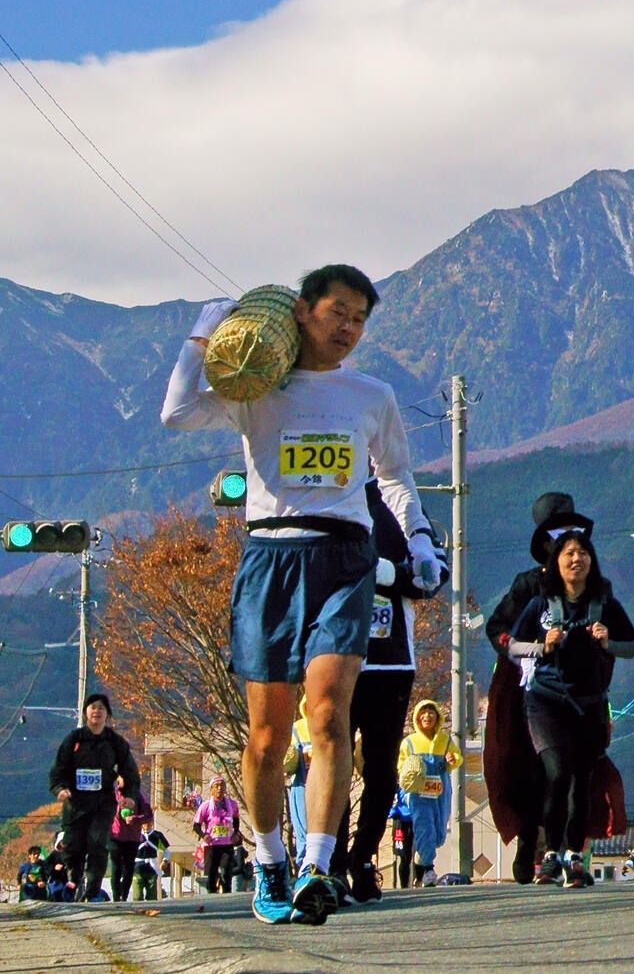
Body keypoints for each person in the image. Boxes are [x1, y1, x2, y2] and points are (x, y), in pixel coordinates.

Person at [160, 263, 444, 925]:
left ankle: (319, 863)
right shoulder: (259, 389)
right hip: (270, 557)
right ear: (303, 311)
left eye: (360, 318)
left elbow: (395, 474)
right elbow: (176, 412)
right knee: (264, 735)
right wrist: (201, 338)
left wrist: (422, 541)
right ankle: (270, 862)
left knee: (327, 715)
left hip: (346, 556)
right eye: (338, 311)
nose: (348, 327)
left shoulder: (371, 395)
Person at [506, 528, 634, 888]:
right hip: (546, 701)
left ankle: (575, 856)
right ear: (556, 562)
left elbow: (632, 647)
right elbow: (513, 646)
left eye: (582, 553)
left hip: (590, 704)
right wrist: (542, 645)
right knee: (557, 771)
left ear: (591, 561)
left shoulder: (604, 603)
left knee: (582, 780)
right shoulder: (541, 604)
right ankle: (550, 855)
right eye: (568, 553)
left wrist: (608, 642)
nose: (576, 559)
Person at [334, 479, 446, 903]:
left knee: (381, 767)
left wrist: (382, 572)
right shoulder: (323, 502)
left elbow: (432, 576)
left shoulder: (399, 509)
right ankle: (328, 861)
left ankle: (362, 858)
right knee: (335, 761)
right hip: (334, 659)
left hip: (390, 661)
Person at [484, 492, 589, 883]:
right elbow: (497, 629)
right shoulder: (529, 584)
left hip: (577, 687)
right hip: (525, 685)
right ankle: (530, 838)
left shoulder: (592, 588)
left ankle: (560, 848)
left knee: (571, 769)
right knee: (528, 767)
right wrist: (529, 649)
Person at [49, 692, 142, 903]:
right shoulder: (74, 739)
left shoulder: (114, 741)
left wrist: (130, 796)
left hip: (102, 801)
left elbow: (130, 771)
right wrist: (59, 789)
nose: (97, 711)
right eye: (93, 707)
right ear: (85, 713)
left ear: (107, 714)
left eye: (101, 707)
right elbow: (59, 768)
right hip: (76, 802)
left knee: (97, 842)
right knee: (73, 845)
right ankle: (74, 875)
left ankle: (92, 889)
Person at [396, 701, 462, 886]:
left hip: (441, 792)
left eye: (431, 712)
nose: (427, 716)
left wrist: (452, 759)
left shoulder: (445, 740)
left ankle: (421, 858)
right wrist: (409, 770)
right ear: (417, 717)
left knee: (439, 832)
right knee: (425, 828)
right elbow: (400, 766)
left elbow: (457, 758)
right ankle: (428, 869)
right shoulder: (409, 742)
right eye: (423, 713)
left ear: (437, 717)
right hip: (418, 794)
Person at [193, 775, 243, 894]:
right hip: (212, 845)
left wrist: (236, 833)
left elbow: (236, 820)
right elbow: (196, 825)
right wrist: (204, 835)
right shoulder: (205, 806)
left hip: (227, 844)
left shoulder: (232, 805)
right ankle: (212, 896)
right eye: (216, 786)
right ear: (211, 790)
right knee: (211, 873)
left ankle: (226, 894)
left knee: (226, 872)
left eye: (222, 786)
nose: (219, 788)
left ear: (225, 789)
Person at [109, 781, 156, 903]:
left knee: (128, 868)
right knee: (116, 867)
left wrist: (135, 819)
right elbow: (103, 814)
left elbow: (149, 815)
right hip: (114, 837)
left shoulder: (138, 795)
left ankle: (123, 897)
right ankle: (116, 897)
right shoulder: (112, 795)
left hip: (132, 838)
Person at [283, 698, 314, 843]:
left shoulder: (332, 727)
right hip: (301, 788)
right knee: (304, 838)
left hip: (326, 790)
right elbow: (285, 761)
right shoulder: (296, 729)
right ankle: (304, 864)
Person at [131, 825, 169, 902]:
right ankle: (138, 911)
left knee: (152, 896)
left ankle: (151, 909)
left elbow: (166, 850)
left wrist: (165, 860)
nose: (146, 824)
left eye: (149, 821)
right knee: (137, 895)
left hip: (152, 868)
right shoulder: (134, 834)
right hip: (137, 868)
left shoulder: (157, 835)